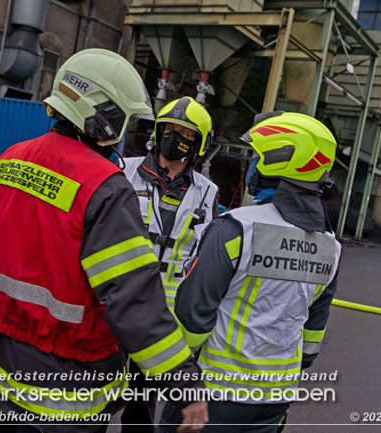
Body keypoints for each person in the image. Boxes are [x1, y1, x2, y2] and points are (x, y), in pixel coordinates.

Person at [0, 49, 207, 433]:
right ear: (108, 115)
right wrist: (184, 384)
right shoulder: (106, 188)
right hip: (64, 384)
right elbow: (133, 301)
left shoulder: (9, 160)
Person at [157, 112, 342, 433]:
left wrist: (179, 373)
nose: (252, 163)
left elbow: (193, 314)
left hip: (215, 394)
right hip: (275, 399)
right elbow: (313, 336)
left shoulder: (236, 228)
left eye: (258, 156)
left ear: (279, 161)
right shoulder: (332, 247)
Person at [120, 97, 219, 432]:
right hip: (115, 301)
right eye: (170, 130)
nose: (175, 137)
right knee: (93, 399)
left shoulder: (208, 192)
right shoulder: (124, 169)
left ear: (198, 144)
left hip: (161, 317)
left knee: (141, 407)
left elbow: (204, 255)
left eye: (185, 134)